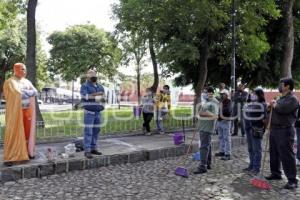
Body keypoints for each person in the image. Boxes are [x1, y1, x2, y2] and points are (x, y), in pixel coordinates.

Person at [265, 78, 298, 190]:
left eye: (281, 84)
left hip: (285, 130)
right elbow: (273, 110)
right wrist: (270, 107)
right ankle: (276, 173)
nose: (279, 86)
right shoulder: (280, 98)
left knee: (287, 155)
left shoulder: (293, 99)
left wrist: (274, 105)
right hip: (274, 129)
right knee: (273, 153)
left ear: (287, 86)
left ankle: (292, 180)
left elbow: (283, 110)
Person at [3, 63, 38, 166]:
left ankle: (27, 153)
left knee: (27, 133)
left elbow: (35, 92)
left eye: (25, 69)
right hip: (15, 113)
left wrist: (24, 91)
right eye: (22, 69)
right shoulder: (10, 82)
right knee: (14, 133)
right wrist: (27, 92)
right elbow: (18, 94)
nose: (25, 71)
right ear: (16, 70)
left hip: (27, 112)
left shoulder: (27, 81)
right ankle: (10, 157)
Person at [80, 69, 105, 159]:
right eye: (91, 75)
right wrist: (96, 94)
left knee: (96, 131)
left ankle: (93, 148)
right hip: (89, 112)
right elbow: (84, 97)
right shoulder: (84, 86)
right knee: (88, 131)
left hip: (98, 112)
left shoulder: (100, 86)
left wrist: (101, 98)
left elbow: (103, 97)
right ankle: (87, 150)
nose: (93, 76)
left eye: (94, 74)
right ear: (87, 76)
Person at [193, 86, 219, 174]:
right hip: (203, 126)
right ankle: (208, 163)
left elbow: (215, 116)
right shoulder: (207, 101)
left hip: (207, 128)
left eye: (205, 92)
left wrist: (203, 113)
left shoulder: (214, 102)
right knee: (207, 145)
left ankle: (202, 166)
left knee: (204, 146)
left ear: (210, 92)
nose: (203, 94)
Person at [243, 88, 267, 175]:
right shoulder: (252, 103)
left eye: (254, 94)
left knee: (257, 149)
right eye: (252, 94)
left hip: (256, 128)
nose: (252, 95)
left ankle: (256, 168)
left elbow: (264, 118)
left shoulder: (262, 104)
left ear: (259, 95)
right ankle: (252, 165)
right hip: (248, 128)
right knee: (250, 148)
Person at [215, 90, 232, 161]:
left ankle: (228, 153)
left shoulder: (229, 102)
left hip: (225, 121)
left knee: (226, 138)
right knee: (221, 137)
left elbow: (228, 111)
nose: (222, 95)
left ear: (226, 94)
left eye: (223, 94)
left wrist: (220, 108)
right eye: (221, 94)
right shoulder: (221, 102)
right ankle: (222, 151)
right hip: (220, 120)